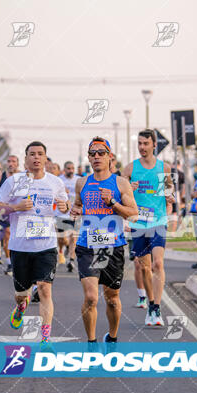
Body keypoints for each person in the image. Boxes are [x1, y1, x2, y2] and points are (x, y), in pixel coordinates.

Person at [0, 141, 68, 349]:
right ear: (25, 159)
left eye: (40, 154)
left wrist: (65, 205)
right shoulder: (14, 181)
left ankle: (45, 338)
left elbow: (65, 205)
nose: (36, 157)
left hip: (47, 245)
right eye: (32, 154)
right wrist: (15, 207)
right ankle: (20, 307)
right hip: (20, 247)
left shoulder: (55, 182)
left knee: (45, 289)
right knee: (21, 294)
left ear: (46, 158)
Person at [70, 137, 137, 349]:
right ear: (89, 158)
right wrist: (75, 210)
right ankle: (91, 343)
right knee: (91, 298)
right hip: (87, 245)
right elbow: (78, 205)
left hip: (113, 247)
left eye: (101, 152)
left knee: (112, 299)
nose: (96, 156)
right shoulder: (82, 183)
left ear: (110, 157)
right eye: (93, 153)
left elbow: (133, 214)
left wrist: (113, 202)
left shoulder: (121, 183)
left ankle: (112, 337)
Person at [123, 130, 174, 326]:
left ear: (154, 145)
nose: (142, 147)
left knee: (158, 264)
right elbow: (119, 193)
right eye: (140, 143)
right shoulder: (130, 168)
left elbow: (169, 191)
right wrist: (129, 189)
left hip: (158, 221)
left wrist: (170, 199)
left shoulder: (164, 167)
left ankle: (157, 308)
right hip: (138, 222)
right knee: (144, 267)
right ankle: (150, 304)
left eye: (146, 143)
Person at [0, 155, 20, 273]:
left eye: (13, 161)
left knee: (17, 237)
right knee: (7, 235)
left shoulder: (23, 177)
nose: (11, 164)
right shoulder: (2, 176)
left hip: (19, 212)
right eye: (9, 161)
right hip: (5, 211)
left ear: (17, 164)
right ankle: (9, 262)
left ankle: (18, 260)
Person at [57, 161, 79, 272]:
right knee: (61, 239)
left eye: (72, 168)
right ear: (64, 169)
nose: (71, 170)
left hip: (73, 213)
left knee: (73, 237)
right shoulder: (59, 180)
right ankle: (65, 247)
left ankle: (71, 260)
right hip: (61, 213)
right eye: (69, 168)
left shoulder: (78, 180)